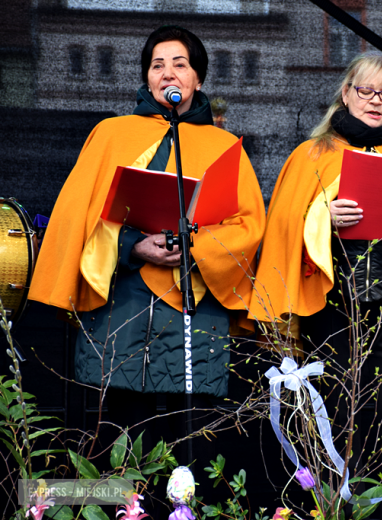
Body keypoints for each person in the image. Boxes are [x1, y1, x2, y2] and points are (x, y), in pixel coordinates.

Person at [28, 25, 265, 466]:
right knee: (118, 444)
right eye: (157, 65)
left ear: (198, 78)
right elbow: (79, 220)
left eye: (180, 64)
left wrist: (196, 247)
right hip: (121, 306)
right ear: (146, 78)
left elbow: (249, 226)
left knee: (190, 449)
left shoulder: (225, 146)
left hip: (195, 308)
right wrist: (135, 246)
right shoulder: (112, 134)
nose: (168, 73)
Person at [252, 51, 382, 520]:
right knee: (332, 419)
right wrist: (320, 217)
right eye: (365, 90)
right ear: (346, 95)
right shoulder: (312, 155)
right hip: (330, 309)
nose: (375, 100)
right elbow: (283, 225)